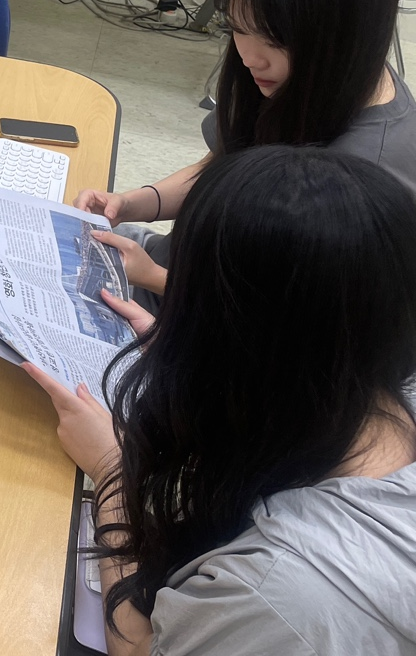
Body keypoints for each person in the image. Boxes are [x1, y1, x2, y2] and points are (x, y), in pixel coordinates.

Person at [28, 147, 416, 655]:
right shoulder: (374, 383)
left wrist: (111, 473)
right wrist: (192, 355)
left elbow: (140, 647)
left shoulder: (278, 594)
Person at [74, 0, 415, 301]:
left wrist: (152, 278)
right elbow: (221, 166)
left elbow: (285, 320)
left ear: (343, 36)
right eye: (236, 27)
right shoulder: (308, 76)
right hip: (182, 269)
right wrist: (130, 204)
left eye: (274, 39)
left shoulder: (366, 174)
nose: (251, 57)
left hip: (210, 316)